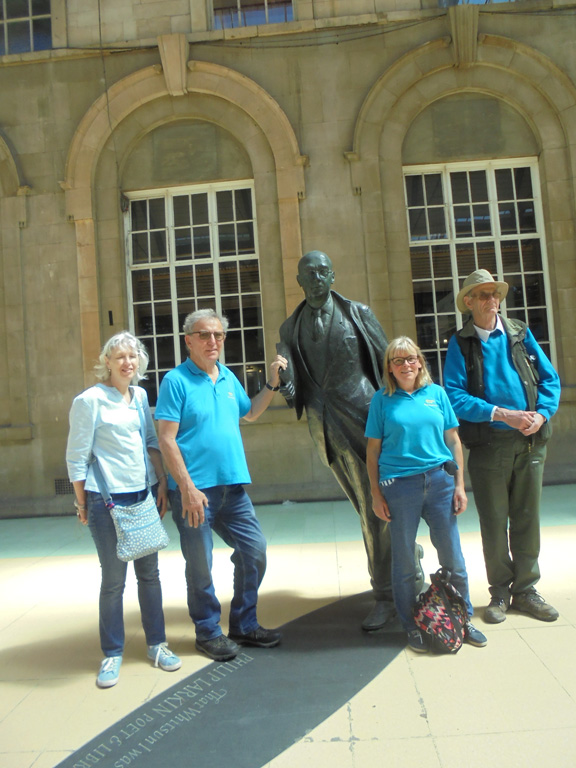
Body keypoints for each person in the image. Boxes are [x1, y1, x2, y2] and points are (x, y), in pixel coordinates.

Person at [278, 250, 423, 631]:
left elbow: (389, 362)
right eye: (309, 272)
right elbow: (294, 387)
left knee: (377, 505)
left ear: (333, 276)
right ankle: (408, 560)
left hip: (366, 418)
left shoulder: (358, 314)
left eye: (323, 271)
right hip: (325, 427)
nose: (316, 278)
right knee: (367, 506)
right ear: (298, 279)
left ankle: (386, 594)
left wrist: (405, 415)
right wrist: (285, 384)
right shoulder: (288, 329)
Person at [156, 309, 287, 662]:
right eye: (203, 335)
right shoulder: (176, 381)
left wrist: (272, 384)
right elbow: (166, 439)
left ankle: (244, 625)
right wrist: (186, 487)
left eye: (218, 335)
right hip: (194, 493)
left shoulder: (228, 377)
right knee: (200, 564)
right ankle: (208, 631)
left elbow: (250, 412)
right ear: (188, 340)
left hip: (232, 488)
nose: (212, 341)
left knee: (254, 551)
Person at [444, 269, 561, 624]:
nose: (491, 300)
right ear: (469, 302)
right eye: (482, 295)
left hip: (530, 444)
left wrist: (541, 416)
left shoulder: (519, 334)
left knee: (527, 517)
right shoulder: (460, 343)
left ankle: (526, 591)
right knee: (494, 522)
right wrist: (500, 414)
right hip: (489, 446)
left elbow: (550, 380)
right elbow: (454, 396)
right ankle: (500, 592)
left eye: (495, 294)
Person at [66, 331, 181, 689]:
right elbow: (76, 457)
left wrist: (160, 481)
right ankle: (112, 652)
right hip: (105, 500)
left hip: (142, 495)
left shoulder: (141, 395)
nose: (127, 363)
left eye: (132, 357)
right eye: (119, 357)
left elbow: (150, 441)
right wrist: (81, 502)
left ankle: (157, 645)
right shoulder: (89, 400)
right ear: (107, 362)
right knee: (114, 581)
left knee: (150, 574)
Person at [365, 336, 487, 653]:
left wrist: (459, 485)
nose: (405, 365)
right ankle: (411, 625)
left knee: (453, 557)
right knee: (404, 561)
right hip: (399, 486)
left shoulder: (437, 395)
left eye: (410, 359)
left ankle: (463, 619)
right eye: (397, 360)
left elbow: (454, 440)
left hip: (440, 481)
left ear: (420, 361)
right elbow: (373, 450)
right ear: (389, 368)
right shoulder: (382, 400)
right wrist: (376, 493)